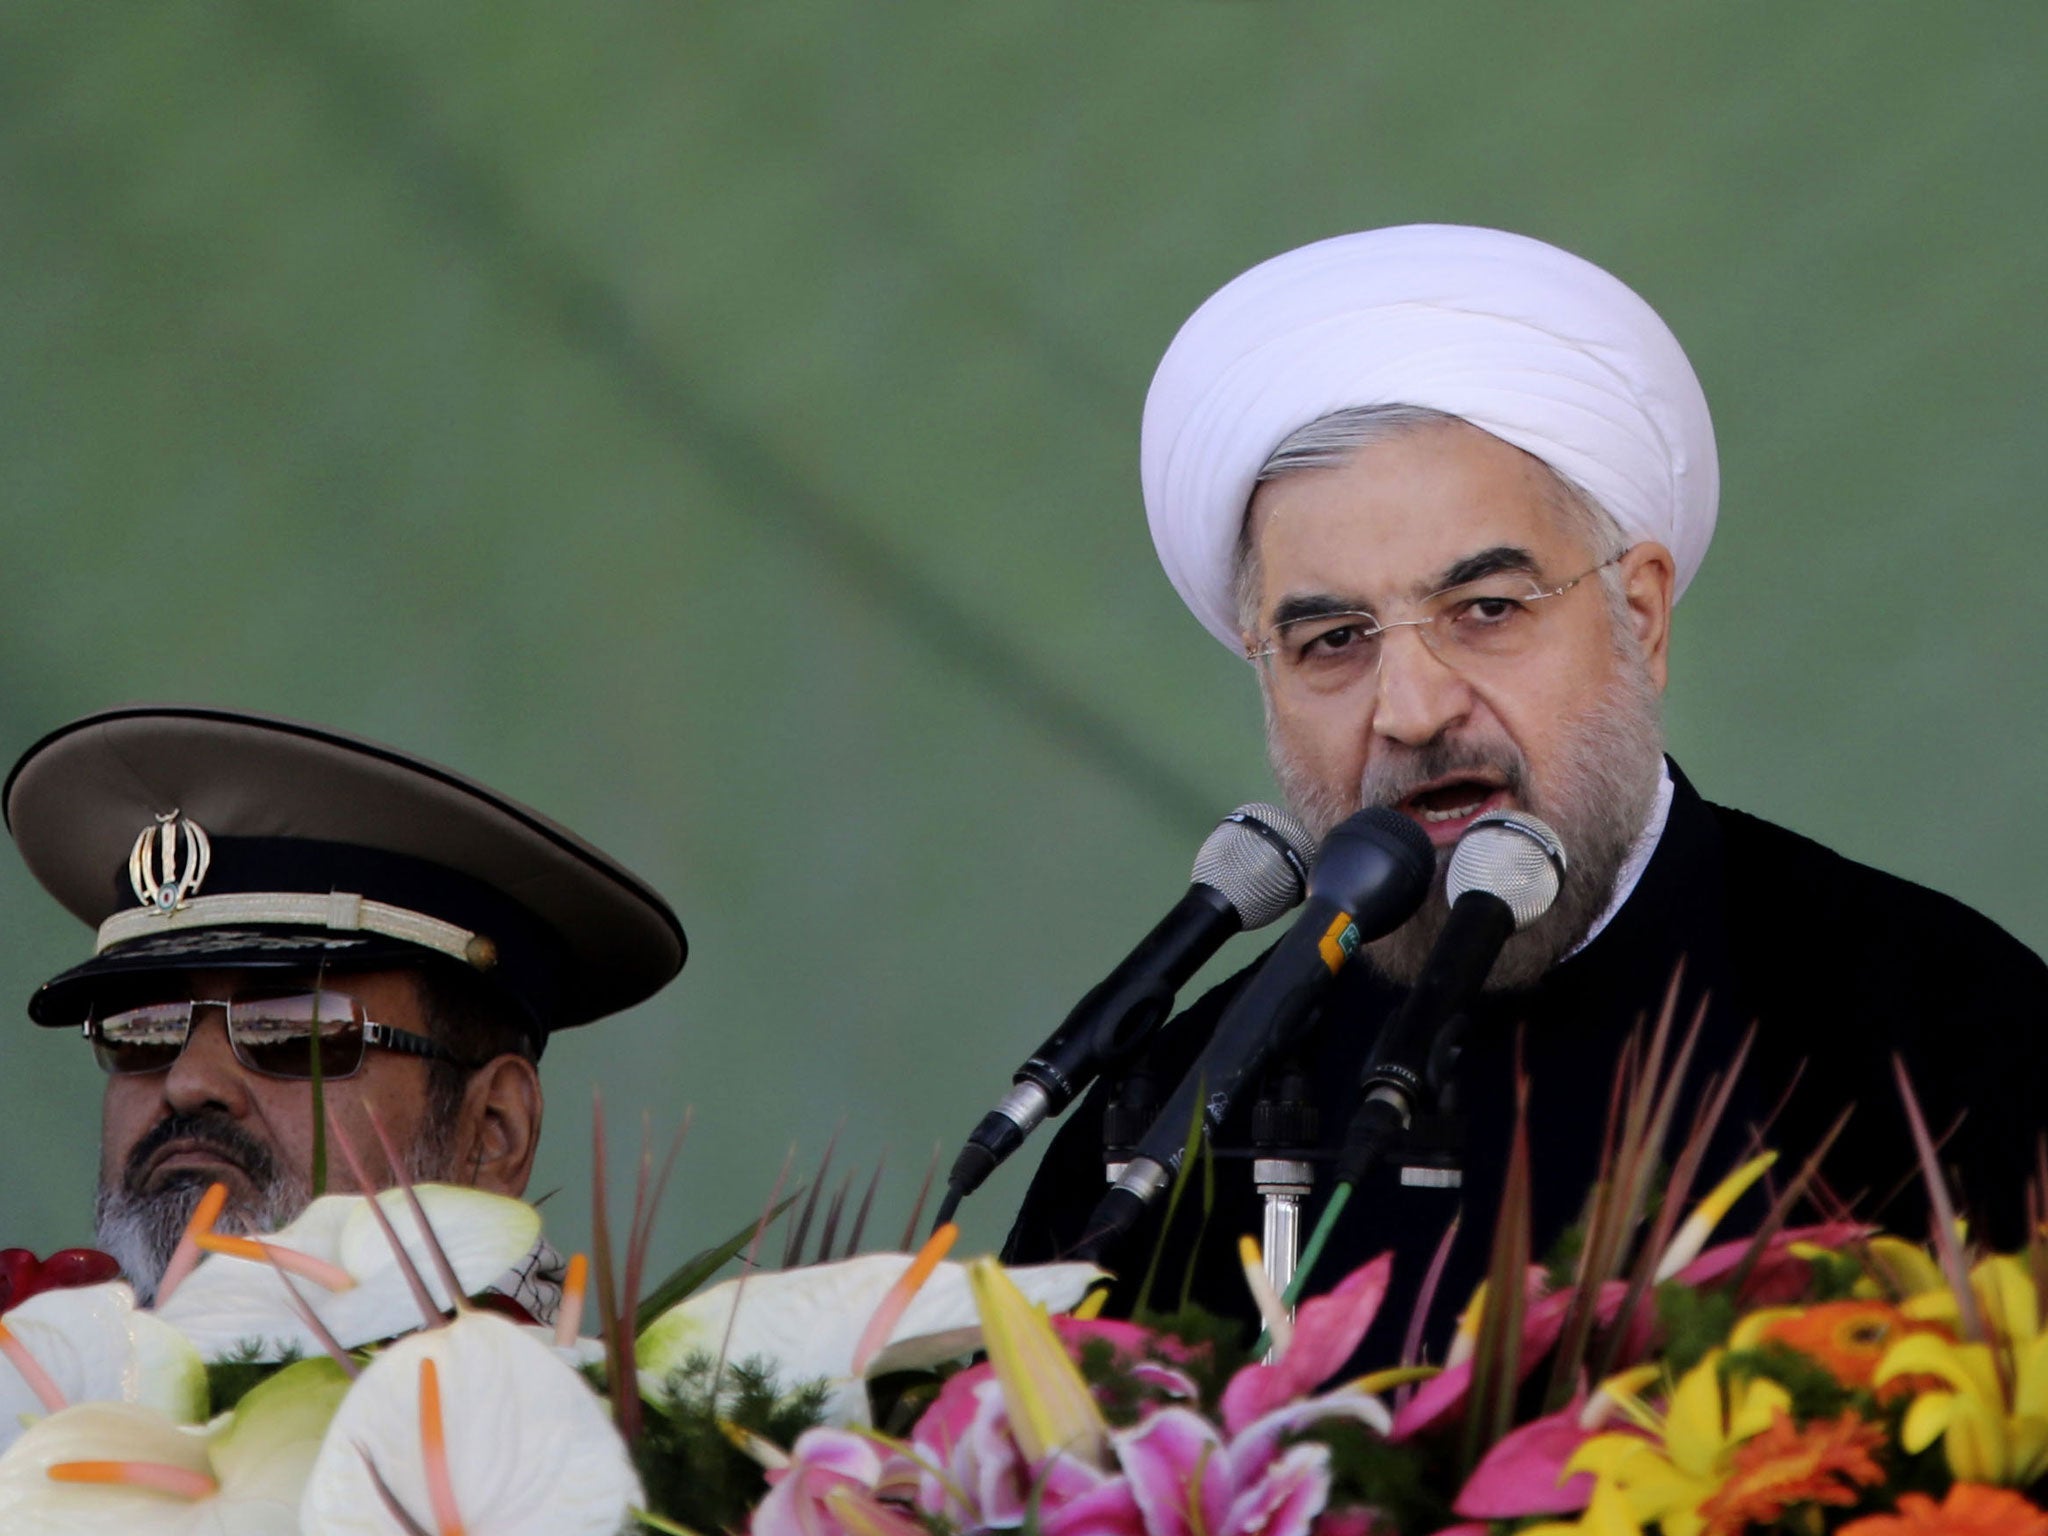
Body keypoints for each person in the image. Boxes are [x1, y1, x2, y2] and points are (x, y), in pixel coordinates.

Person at [1004, 225, 2048, 1353]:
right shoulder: (1175, 1123)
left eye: (1485, 611)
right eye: (1332, 640)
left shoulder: (1935, 1025)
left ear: (1637, 616)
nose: (1410, 707)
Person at [4, 704, 685, 1314]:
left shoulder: (610, 1447)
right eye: (141, 1032)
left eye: (291, 1029)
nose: (187, 1084)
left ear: (492, 1130)